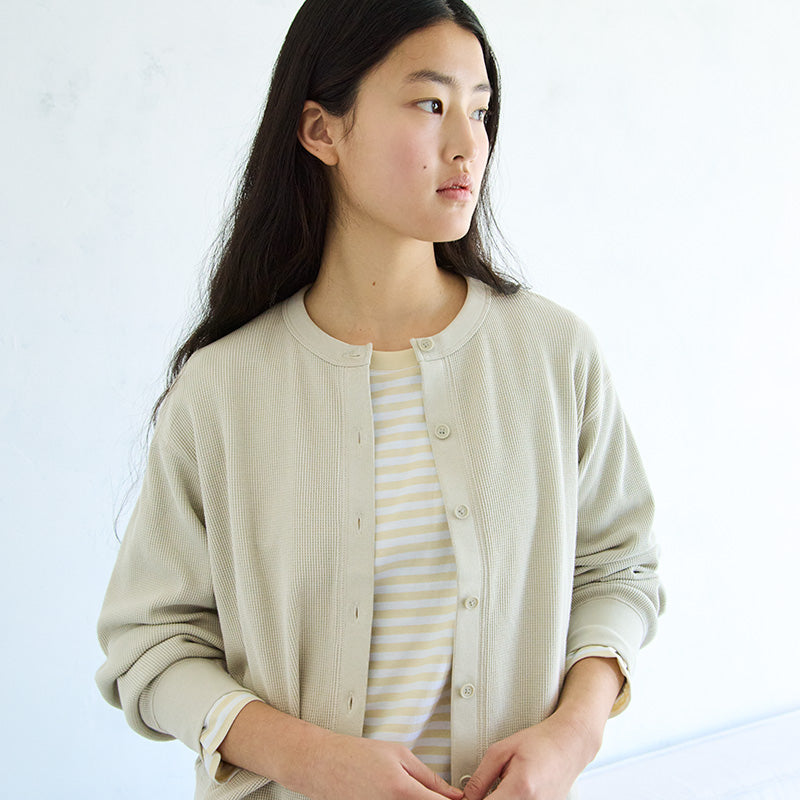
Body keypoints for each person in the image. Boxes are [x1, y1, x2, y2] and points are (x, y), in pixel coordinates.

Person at [96, 1, 665, 798]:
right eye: (431, 104)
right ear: (321, 131)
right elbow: (149, 646)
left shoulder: (553, 355)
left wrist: (571, 736)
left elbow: (618, 570)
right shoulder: (223, 391)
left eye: (480, 108)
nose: (468, 144)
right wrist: (309, 757)